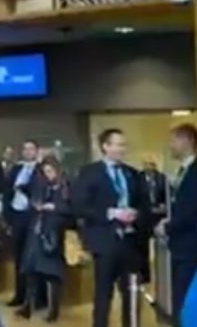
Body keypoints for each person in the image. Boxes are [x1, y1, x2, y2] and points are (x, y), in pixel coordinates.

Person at [72, 128, 150, 327]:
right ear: (105, 147)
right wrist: (111, 213)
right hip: (104, 241)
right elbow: (79, 206)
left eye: (124, 145)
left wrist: (136, 215)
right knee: (103, 293)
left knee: (131, 293)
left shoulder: (133, 174)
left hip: (130, 242)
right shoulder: (89, 173)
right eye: (118, 144)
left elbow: (145, 205)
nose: (122, 149)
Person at [156, 124, 197, 323]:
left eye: (174, 140)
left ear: (187, 141)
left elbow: (192, 209)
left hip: (191, 246)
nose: (171, 145)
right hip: (180, 245)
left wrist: (168, 226)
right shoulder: (184, 170)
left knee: (185, 298)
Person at [16, 157, 70, 323]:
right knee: (31, 271)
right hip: (37, 231)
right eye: (45, 172)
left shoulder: (65, 187)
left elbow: (72, 209)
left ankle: (53, 310)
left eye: (50, 171)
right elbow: (24, 188)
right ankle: (28, 306)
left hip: (52, 234)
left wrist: (54, 207)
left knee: (52, 274)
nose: (48, 175)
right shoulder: (42, 186)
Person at [4, 139, 45, 308]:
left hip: (33, 216)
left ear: (37, 151)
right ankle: (19, 294)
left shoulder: (41, 170)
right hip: (17, 215)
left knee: (33, 257)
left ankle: (36, 297)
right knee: (19, 256)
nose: (28, 152)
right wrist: (7, 216)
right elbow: (7, 191)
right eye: (25, 149)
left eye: (31, 149)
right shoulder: (16, 169)